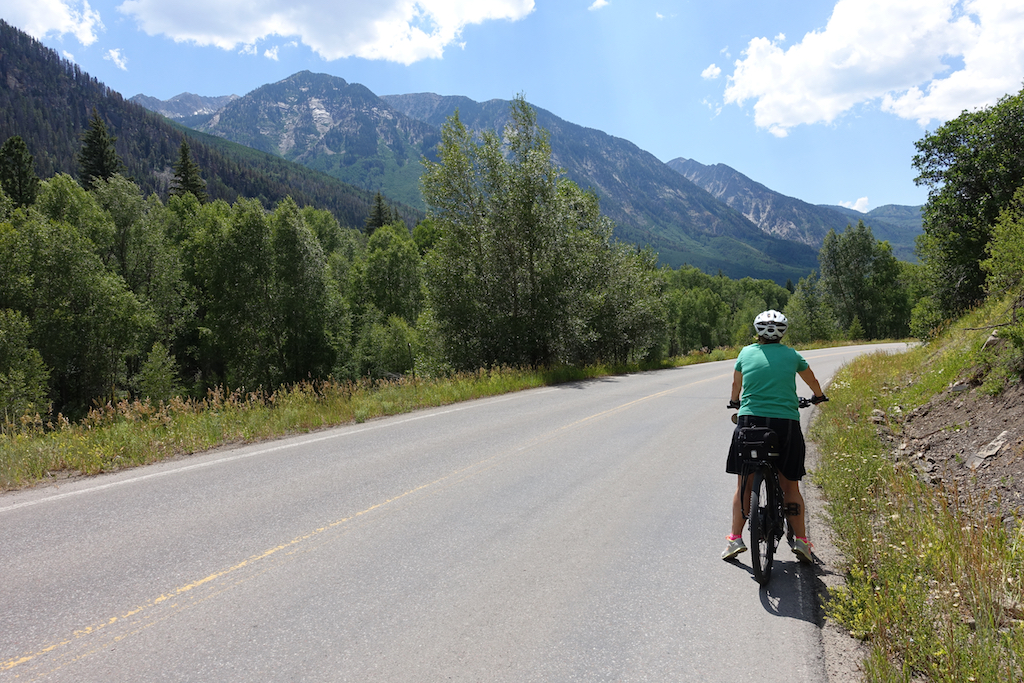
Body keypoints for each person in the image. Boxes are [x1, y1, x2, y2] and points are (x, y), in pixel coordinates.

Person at [721, 310, 827, 564]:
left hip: (750, 423)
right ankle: (801, 541)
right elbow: (811, 379)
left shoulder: (746, 353)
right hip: (785, 424)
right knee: (790, 485)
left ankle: (735, 538)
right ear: (783, 332)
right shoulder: (792, 355)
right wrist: (818, 396)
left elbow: (736, 386)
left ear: (757, 332)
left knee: (744, 485)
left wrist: (735, 401)